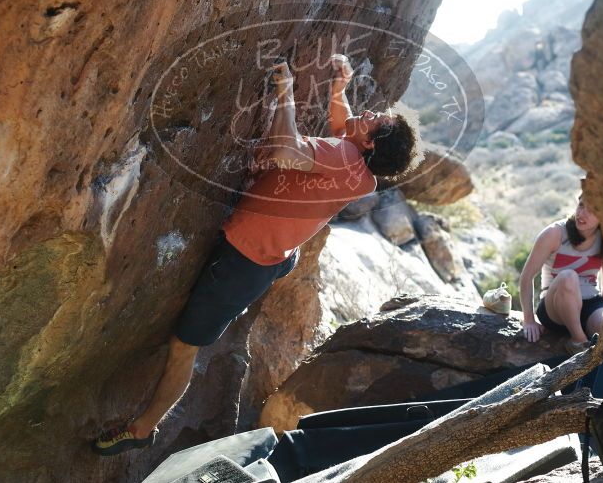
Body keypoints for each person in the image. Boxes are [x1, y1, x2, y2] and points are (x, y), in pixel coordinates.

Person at [92, 55, 421, 455]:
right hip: (270, 251)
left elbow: (287, 150)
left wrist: (285, 96)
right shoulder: (361, 168)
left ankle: (144, 429)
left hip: (245, 261)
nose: (368, 111)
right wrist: (338, 89)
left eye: (376, 119)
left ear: (370, 142)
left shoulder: (347, 158)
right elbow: (344, 126)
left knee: (184, 346)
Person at [519, 191, 603, 355]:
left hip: (590, 304)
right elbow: (527, 276)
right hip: (554, 307)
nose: (582, 213)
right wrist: (529, 320)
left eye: (591, 210)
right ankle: (578, 341)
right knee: (568, 276)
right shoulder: (555, 233)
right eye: (581, 205)